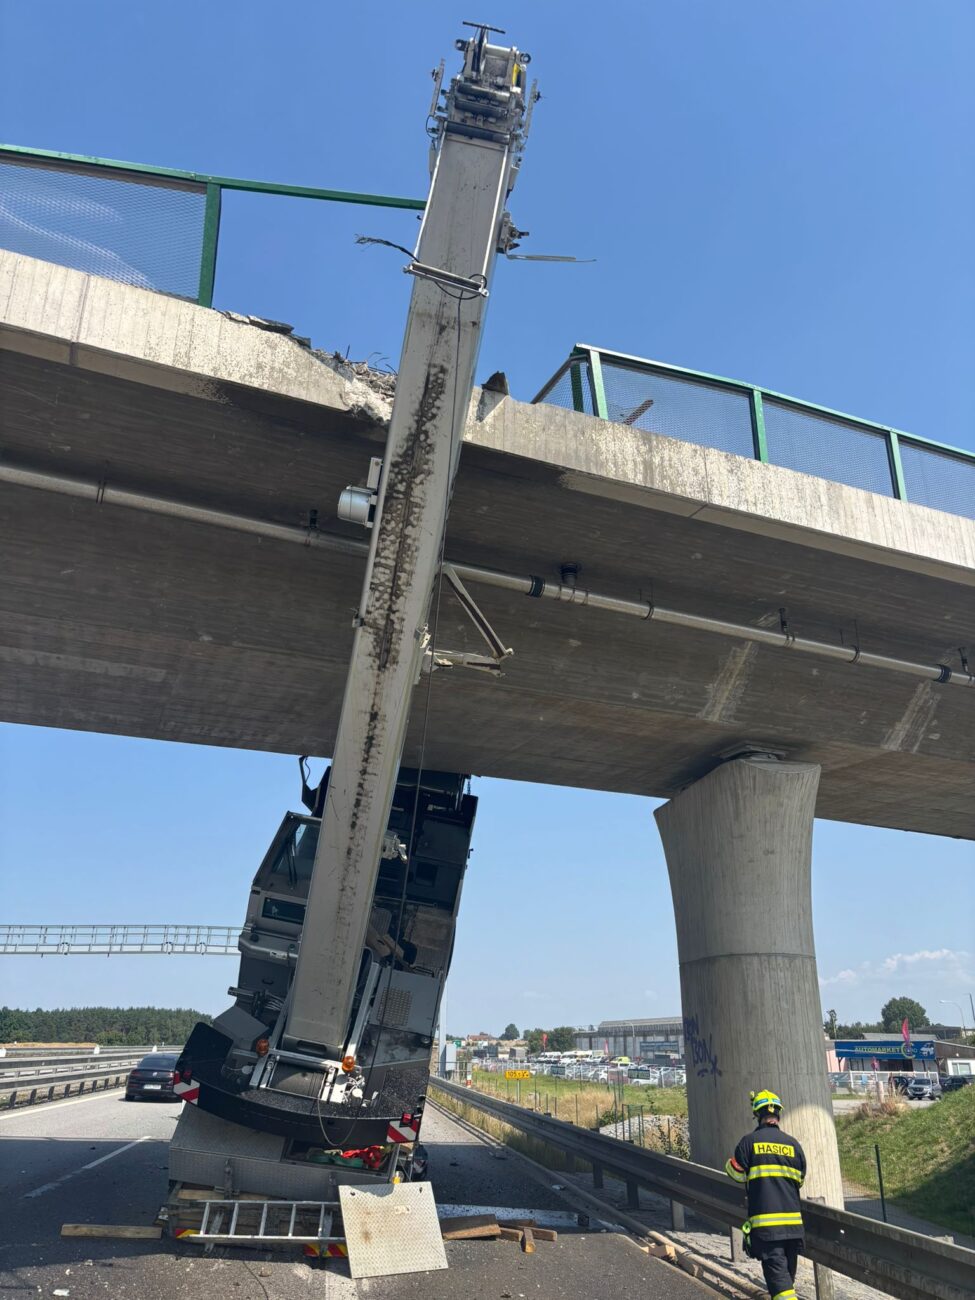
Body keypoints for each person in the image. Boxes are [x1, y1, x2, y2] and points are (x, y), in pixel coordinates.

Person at [724, 1089, 806, 1300]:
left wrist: (728, 1164)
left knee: (781, 1286)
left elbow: (738, 1175)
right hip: (794, 1228)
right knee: (786, 1278)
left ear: (757, 1114)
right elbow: (800, 1180)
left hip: (768, 1228)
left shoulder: (749, 1143)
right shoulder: (794, 1145)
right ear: (778, 1114)